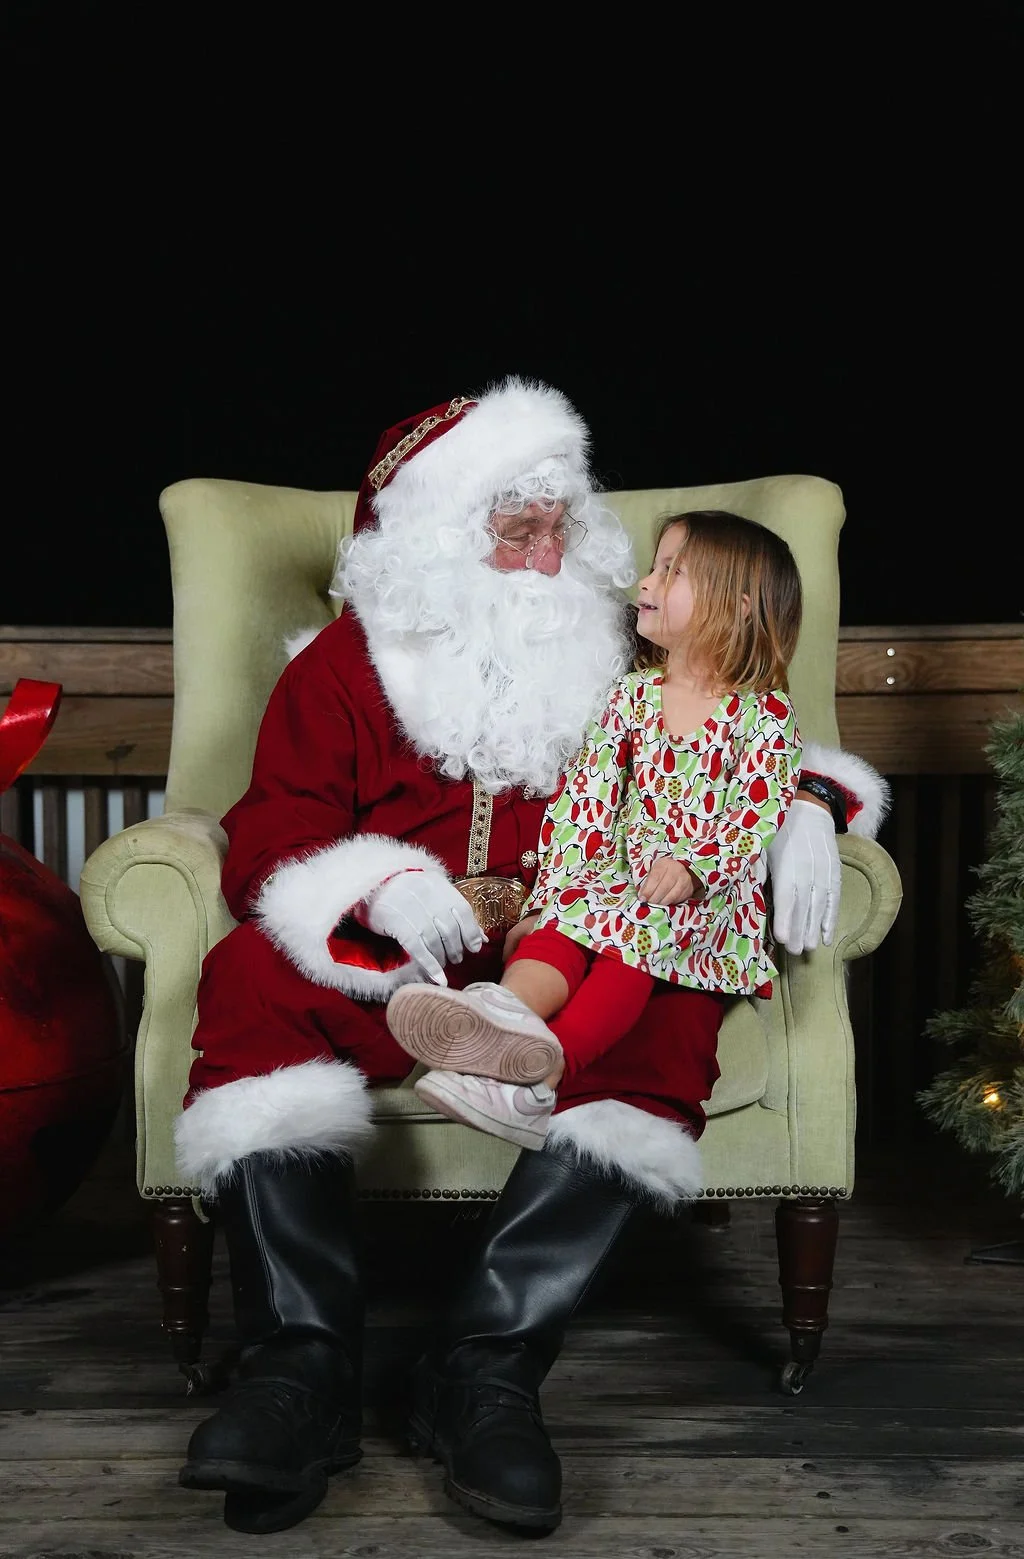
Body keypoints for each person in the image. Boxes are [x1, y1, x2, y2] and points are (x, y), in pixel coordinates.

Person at [171, 376, 890, 1538]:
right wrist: (380, 883)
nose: (549, 555)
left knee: (670, 1008)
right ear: (440, 538)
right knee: (251, 975)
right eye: (518, 529)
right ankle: (297, 1372)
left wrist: (810, 804)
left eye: (563, 527)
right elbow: (270, 830)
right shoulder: (347, 666)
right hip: (400, 958)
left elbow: (744, 737)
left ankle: (483, 1369)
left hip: (576, 945)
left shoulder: (619, 654)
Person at [385, 510, 804, 1151]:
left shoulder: (764, 716)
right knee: (562, 925)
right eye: (653, 565)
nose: (644, 582)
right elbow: (586, 802)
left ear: (739, 606)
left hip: (706, 905)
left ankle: (542, 1077)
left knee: (631, 937)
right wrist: (550, 898)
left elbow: (755, 813)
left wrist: (695, 866)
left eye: (671, 571)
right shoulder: (631, 697)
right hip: (624, 882)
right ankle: (500, 1021)